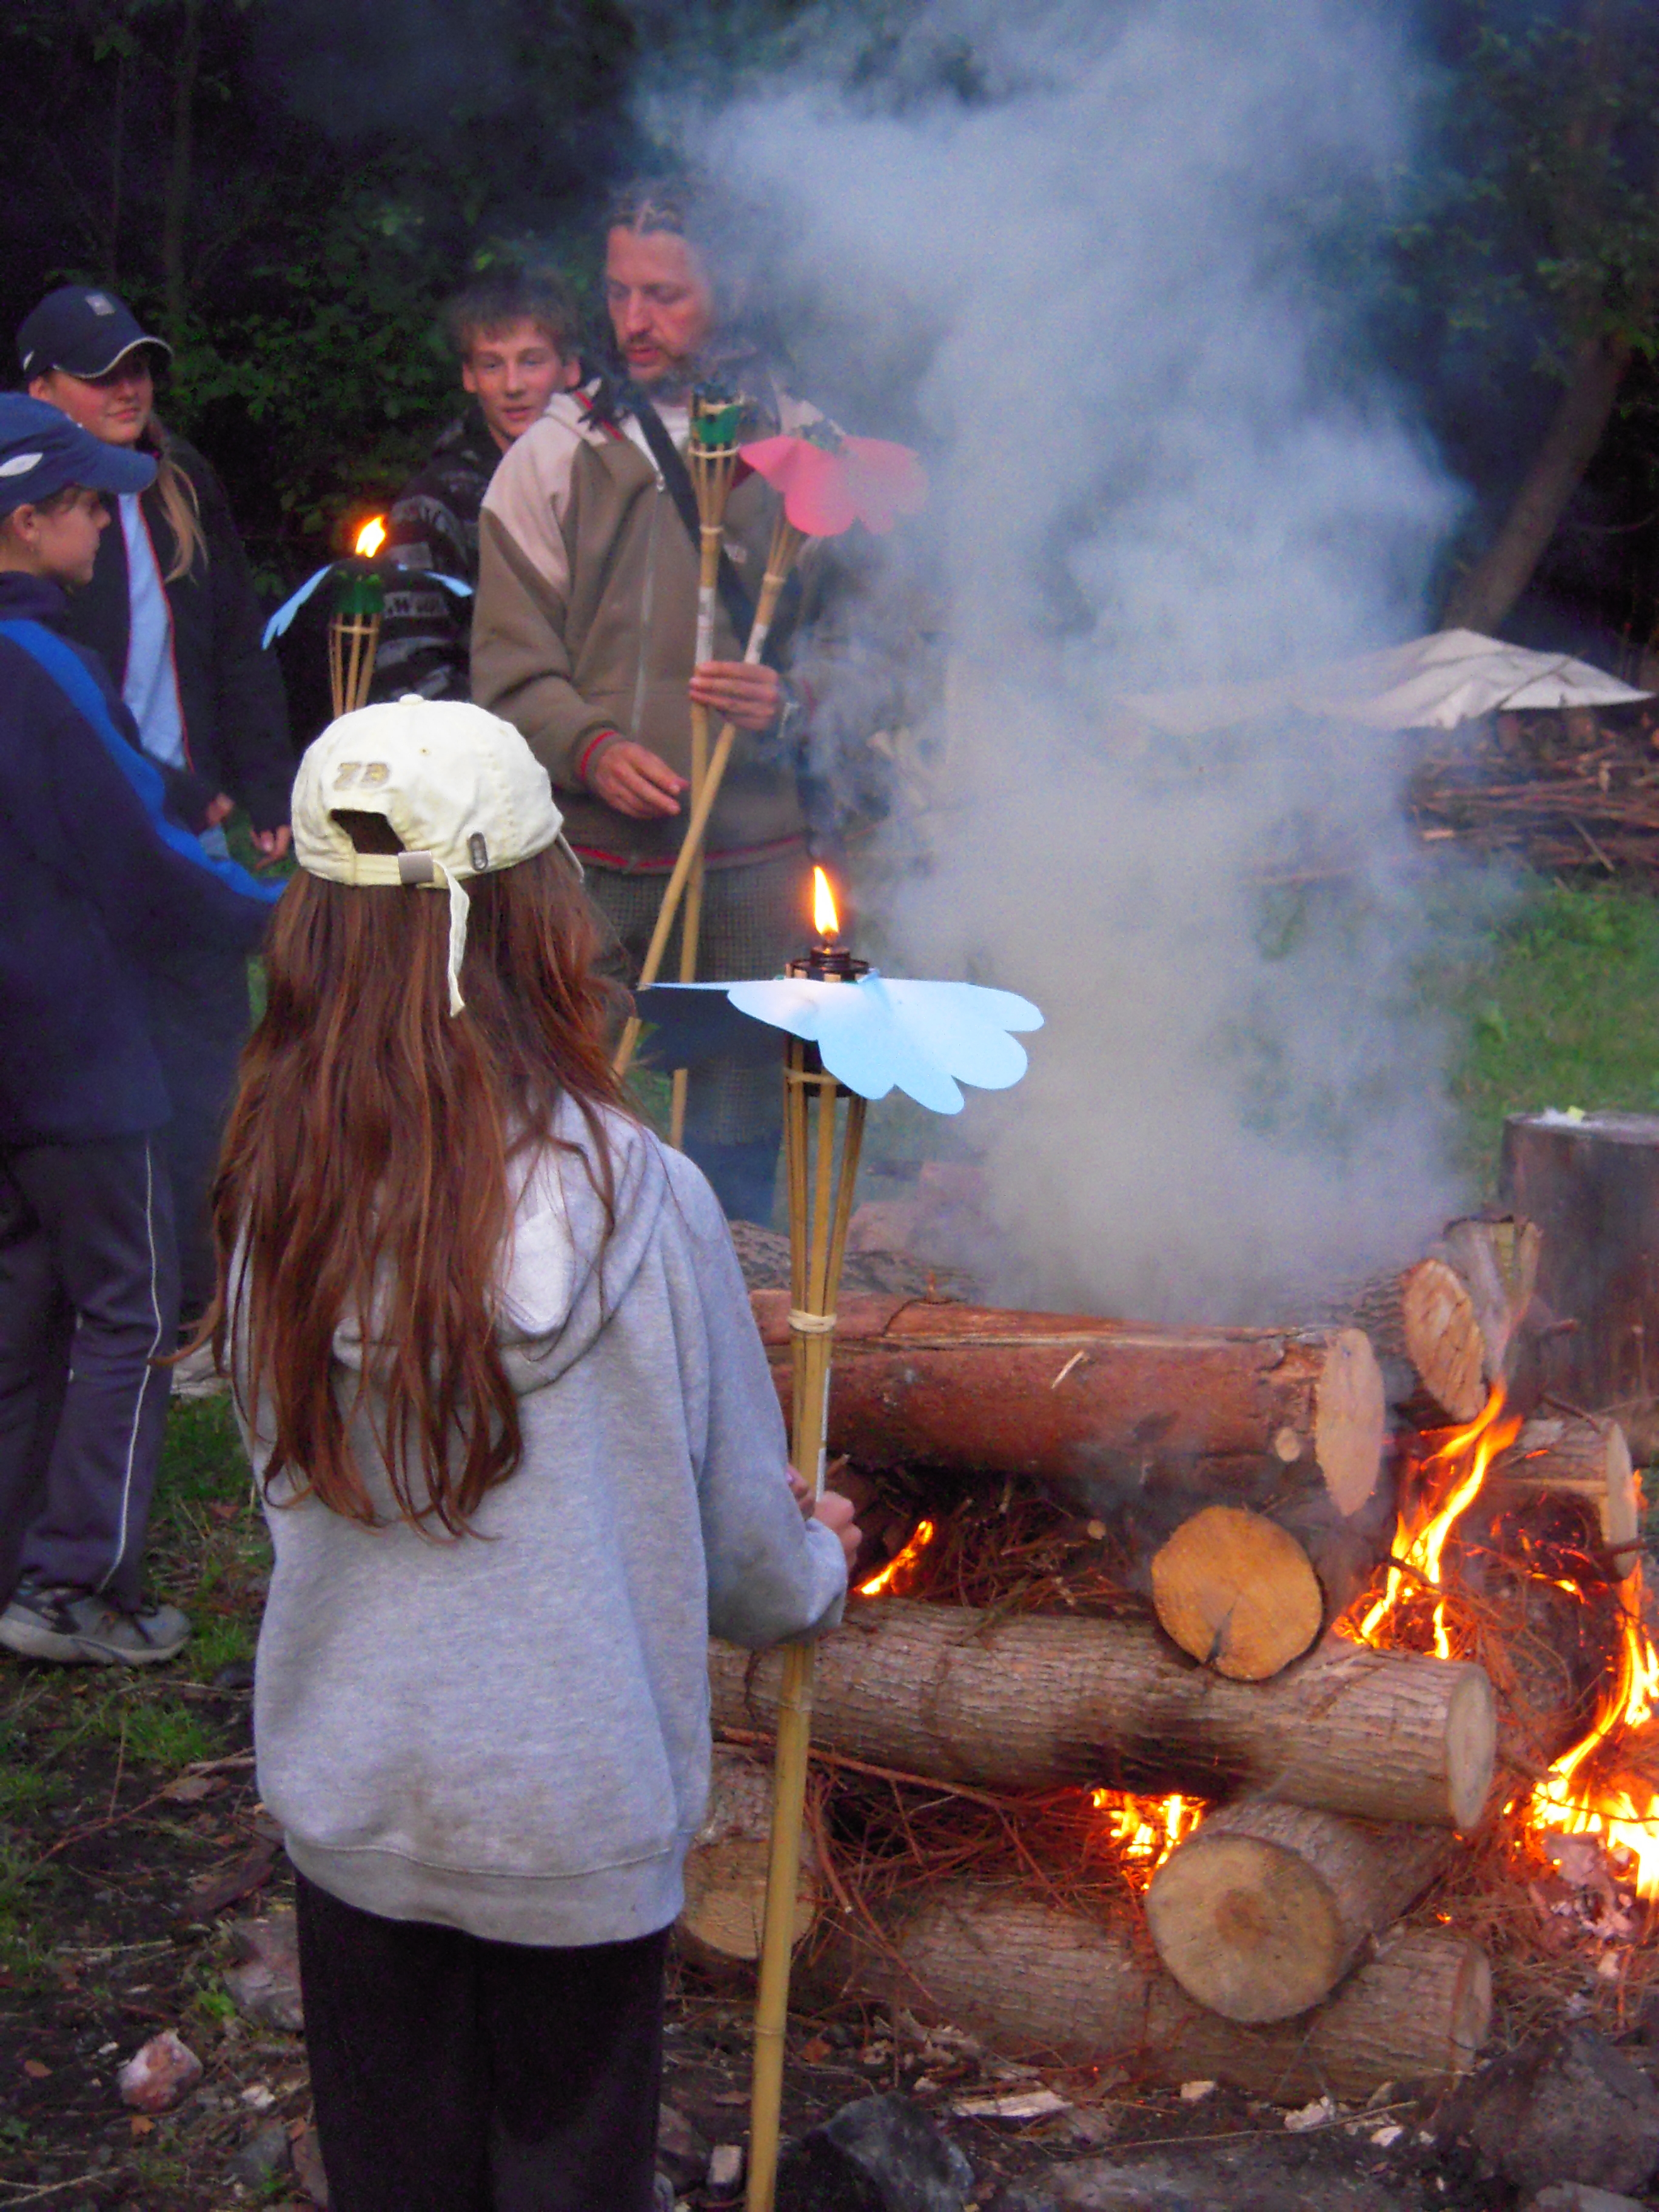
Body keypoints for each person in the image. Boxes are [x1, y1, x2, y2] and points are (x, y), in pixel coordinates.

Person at [205, 694, 858, 2210]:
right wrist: (812, 1558)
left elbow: (284, 1476)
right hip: (573, 1813)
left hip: (361, 1802)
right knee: (572, 2170)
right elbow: (747, 1562)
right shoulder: (646, 1198)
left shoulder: (271, 1195)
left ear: (312, 932)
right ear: (535, 919)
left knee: (396, 2175)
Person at [472, 179, 820, 1226]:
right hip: (590, 854)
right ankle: (562, 1295)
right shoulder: (554, 455)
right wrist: (589, 745)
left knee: (742, 1122)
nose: (633, 320)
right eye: (620, 291)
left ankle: (735, 1290)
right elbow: (508, 667)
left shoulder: (808, 450)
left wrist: (791, 699)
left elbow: (875, 649)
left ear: (732, 288)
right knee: (560, 1099)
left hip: (753, 854)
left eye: (664, 295)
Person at [0, 396, 278, 1664]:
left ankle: (17, 1557)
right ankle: (79, 1586)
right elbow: (140, 854)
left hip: (15, 1057)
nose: (106, 529)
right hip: (82, 1052)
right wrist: (278, 913)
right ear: (27, 521)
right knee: (132, 1306)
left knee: (24, 1306)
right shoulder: (43, 661)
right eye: (84, 506)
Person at [19, 283, 295, 1340]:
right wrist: (175, 796)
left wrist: (260, 780)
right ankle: (138, 1298)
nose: (129, 388)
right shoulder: (36, 525)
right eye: (102, 374)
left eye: (138, 367)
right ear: (43, 390)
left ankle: (210, 1289)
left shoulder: (181, 480)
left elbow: (235, 637)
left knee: (214, 1050)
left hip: (193, 815)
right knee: (120, 1067)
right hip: (109, 827)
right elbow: (70, 707)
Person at [371, 266, 585, 703]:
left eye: (531, 362)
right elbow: (409, 664)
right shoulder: (432, 505)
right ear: (469, 376)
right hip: (487, 737)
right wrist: (504, 737)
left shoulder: (610, 485)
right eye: (492, 365)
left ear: (570, 368)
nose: (512, 386)